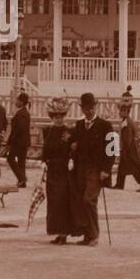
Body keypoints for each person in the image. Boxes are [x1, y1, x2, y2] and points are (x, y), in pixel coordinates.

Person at [69, 92, 112, 246]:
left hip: (96, 169)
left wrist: (106, 170)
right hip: (81, 169)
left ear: (95, 106)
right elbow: (72, 141)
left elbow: (112, 150)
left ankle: (94, 235)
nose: (89, 111)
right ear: (82, 109)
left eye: (91, 107)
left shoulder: (106, 125)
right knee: (81, 200)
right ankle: (87, 235)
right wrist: (73, 146)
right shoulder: (79, 125)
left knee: (89, 200)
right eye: (86, 108)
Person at [40, 96, 79, 244]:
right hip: (52, 171)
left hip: (64, 169)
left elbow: (73, 149)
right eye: (56, 116)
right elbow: (46, 149)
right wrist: (43, 161)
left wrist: (71, 159)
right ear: (52, 117)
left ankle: (64, 233)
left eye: (61, 116)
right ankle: (57, 231)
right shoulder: (48, 132)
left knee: (63, 200)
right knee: (53, 202)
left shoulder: (68, 132)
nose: (58, 119)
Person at [112, 94, 140, 192]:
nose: (120, 112)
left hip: (129, 149)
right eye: (120, 110)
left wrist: (124, 149)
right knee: (123, 167)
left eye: (122, 111)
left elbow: (127, 138)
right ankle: (120, 184)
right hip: (129, 148)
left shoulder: (127, 122)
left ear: (126, 112)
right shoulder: (126, 121)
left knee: (134, 169)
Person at [7, 92, 31, 188]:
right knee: (21, 161)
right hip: (24, 141)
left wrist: (10, 140)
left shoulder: (21, 113)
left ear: (21, 102)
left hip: (18, 142)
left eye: (17, 100)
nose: (16, 101)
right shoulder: (25, 112)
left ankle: (22, 178)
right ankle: (22, 182)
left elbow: (18, 129)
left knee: (10, 159)